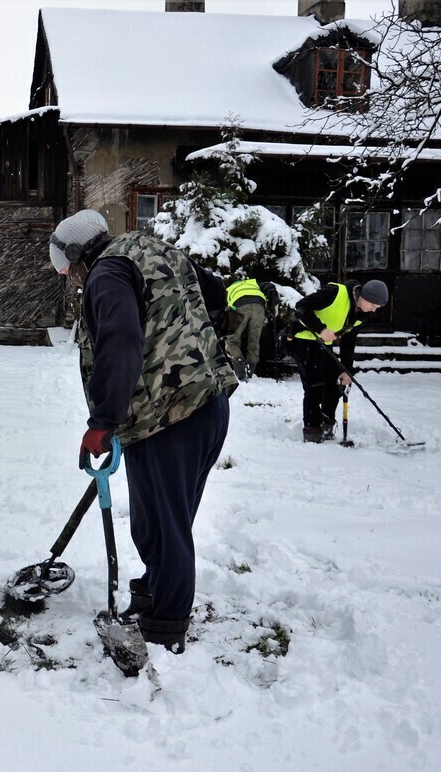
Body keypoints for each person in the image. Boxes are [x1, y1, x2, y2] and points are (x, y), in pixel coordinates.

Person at [49, 209, 238, 673]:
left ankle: (166, 626)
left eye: (69, 272)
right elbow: (217, 298)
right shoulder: (154, 249)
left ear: (77, 256)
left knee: (162, 526)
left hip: (168, 418)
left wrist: (103, 421)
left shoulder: (107, 273)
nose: (73, 282)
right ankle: (156, 595)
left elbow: (120, 340)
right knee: (166, 522)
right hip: (208, 406)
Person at [282, 279, 389, 443]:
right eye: (373, 305)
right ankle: (312, 431)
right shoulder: (335, 293)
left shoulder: (361, 314)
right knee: (314, 385)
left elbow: (348, 342)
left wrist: (347, 370)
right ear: (364, 296)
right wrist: (321, 329)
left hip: (323, 345)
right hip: (301, 340)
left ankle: (326, 420)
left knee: (337, 381)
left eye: (377, 308)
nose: (374, 310)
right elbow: (302, 306)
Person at [223, 277, 278, 380]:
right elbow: (269, 285)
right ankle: (250, 369)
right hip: (259, 306)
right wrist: (272, 295)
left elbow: (223, 307)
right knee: (254, 341)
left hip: (239, 306)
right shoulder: (253, 283)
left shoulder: (229, 289)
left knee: (232, 340)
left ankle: (239, 368)